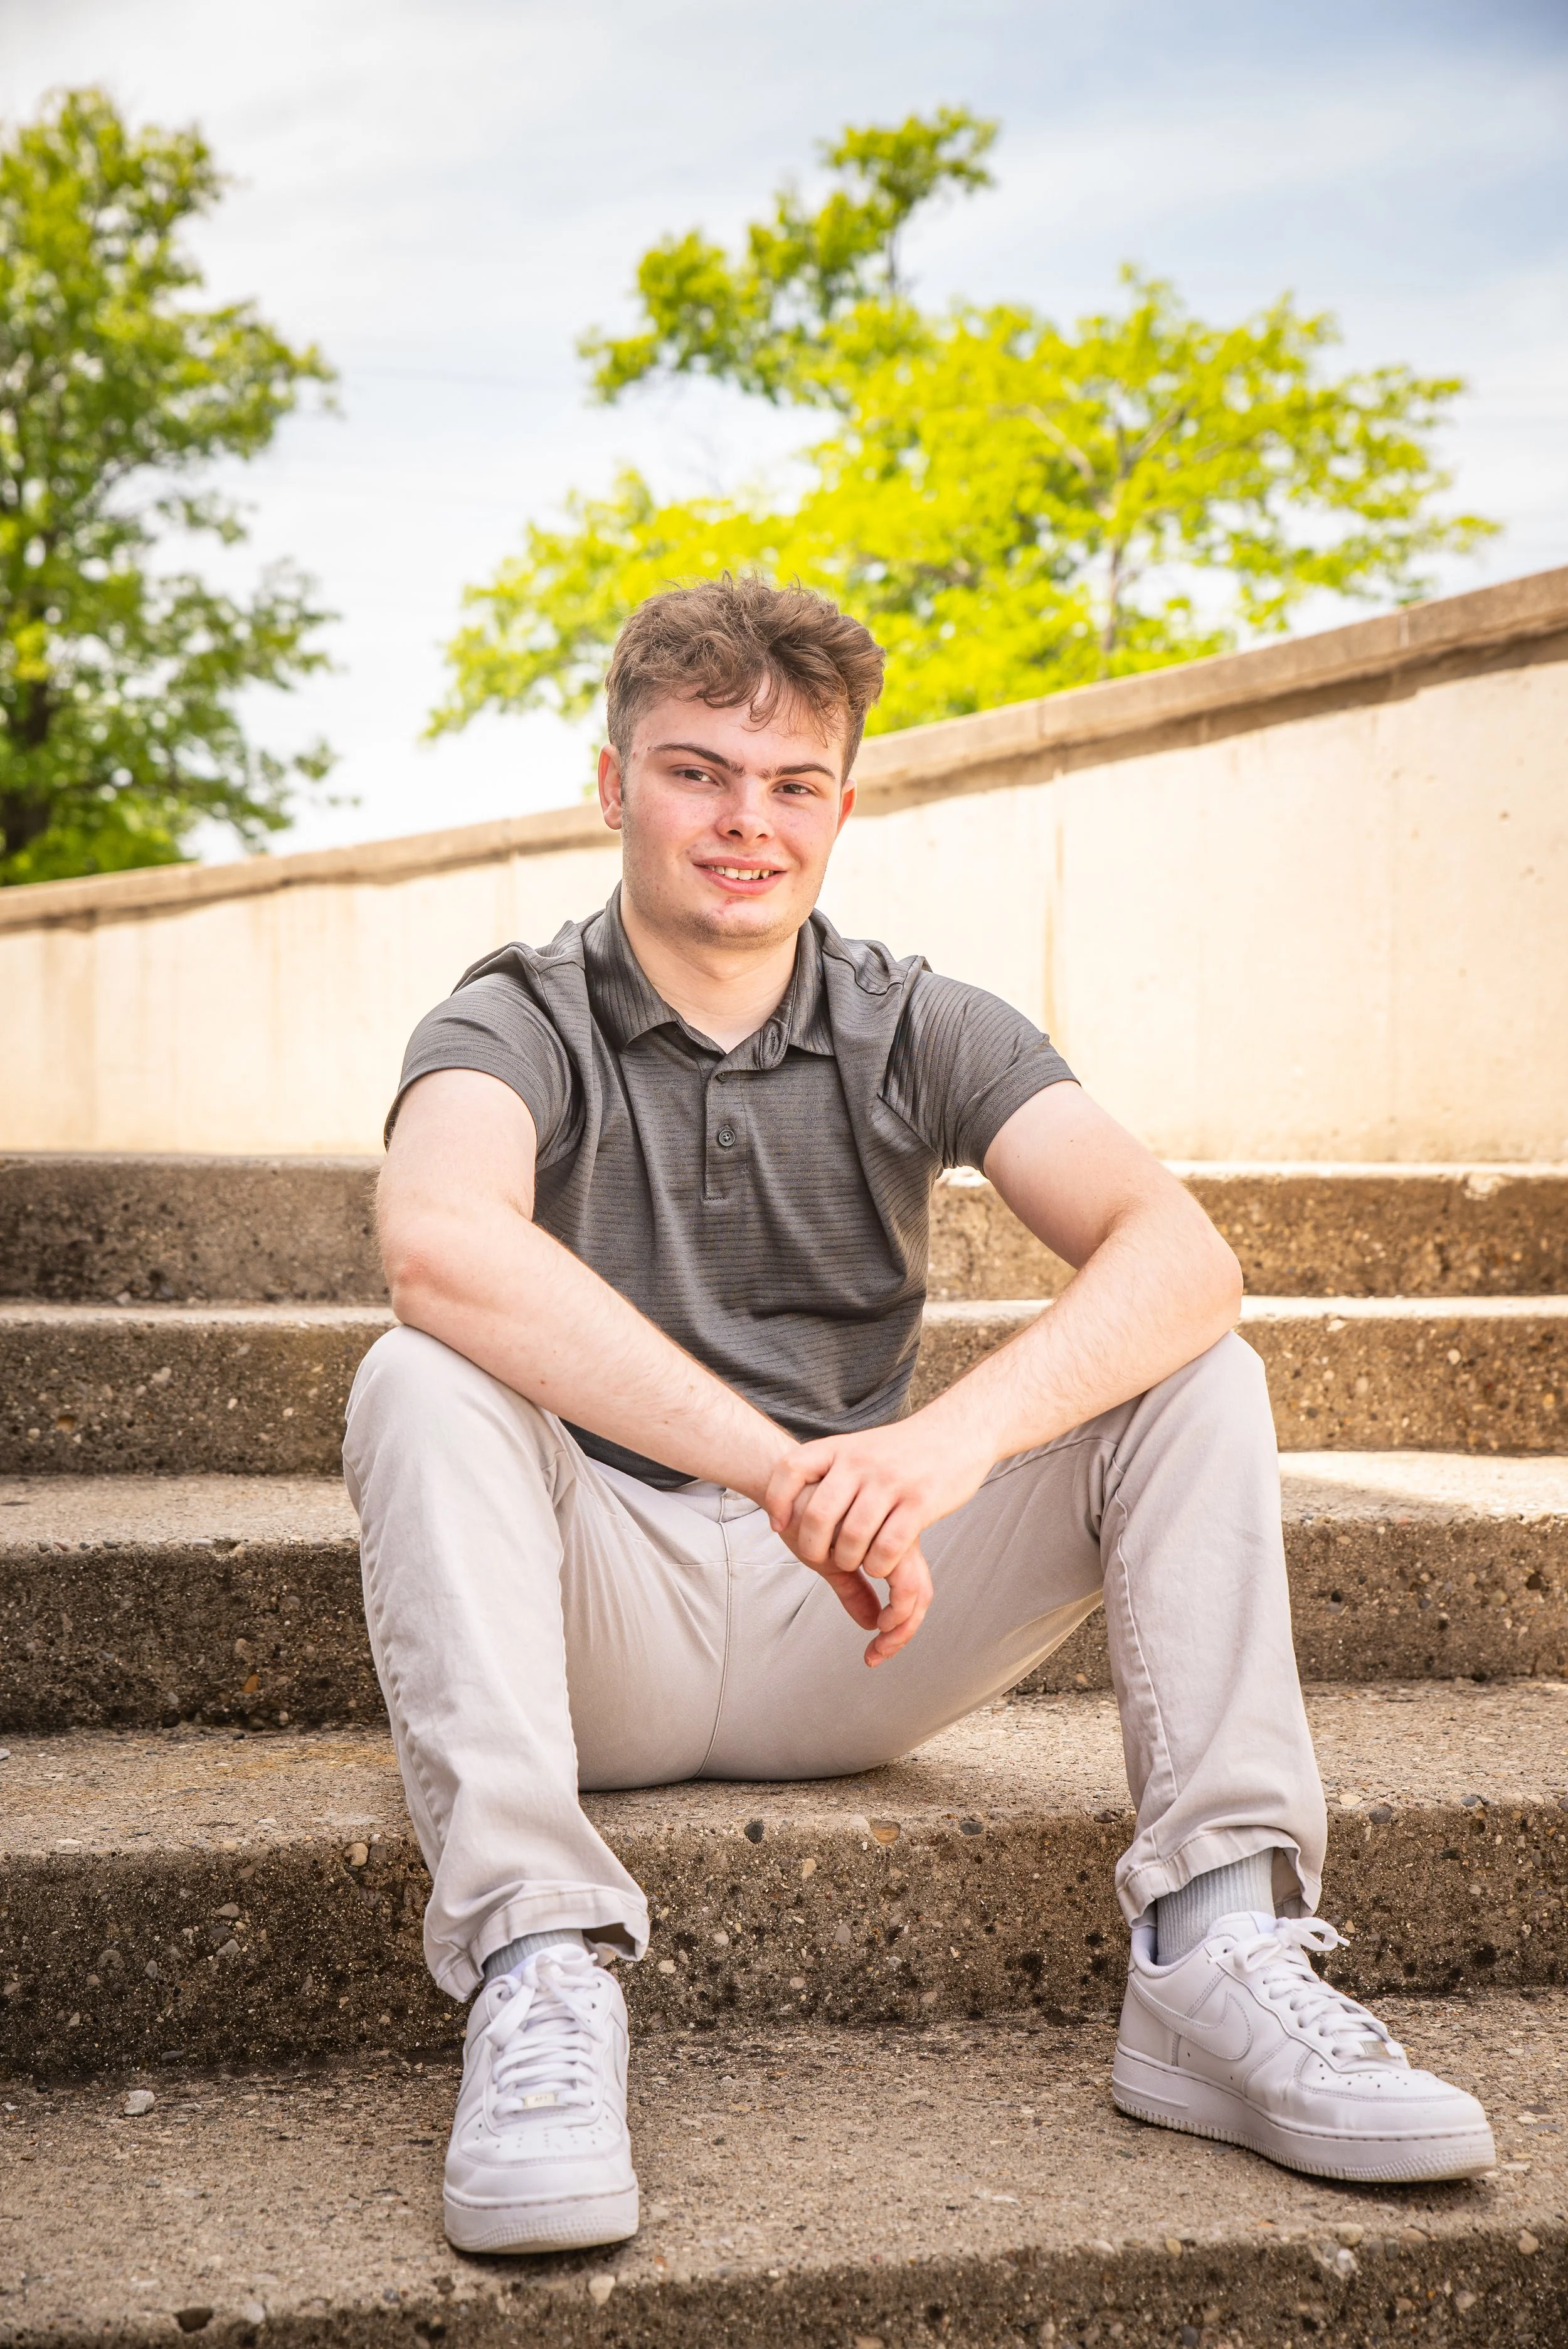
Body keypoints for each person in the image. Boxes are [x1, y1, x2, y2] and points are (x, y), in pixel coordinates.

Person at [344, 576, 1495, 2257]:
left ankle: (1214, 1948)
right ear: (611, 786)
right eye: (695, 773)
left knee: (1193, 1369)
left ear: (841, 804)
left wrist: (937, 1448)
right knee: (416, 1373)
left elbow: (1177, 1254)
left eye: (792, 782)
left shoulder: (913, 1020)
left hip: (862, 1631)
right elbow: (438, 1243)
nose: (747, 822)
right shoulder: (511, 1018)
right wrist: (771, 1461)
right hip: (601, 1614)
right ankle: (535, 1971)